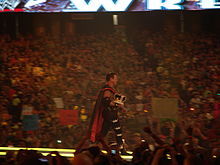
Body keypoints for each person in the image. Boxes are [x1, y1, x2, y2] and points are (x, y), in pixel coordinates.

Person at [89, 72, 127, 154]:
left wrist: (120, 105)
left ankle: (94, 146)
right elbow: (106, 101)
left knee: (104, 131)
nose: (117, 80)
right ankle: (121, 149)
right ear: (111, 79)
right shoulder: (107, 89)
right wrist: (117, 104)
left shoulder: (110, 89)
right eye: (115, 78)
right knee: (117, 130)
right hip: (109, 113)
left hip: (109, 113)